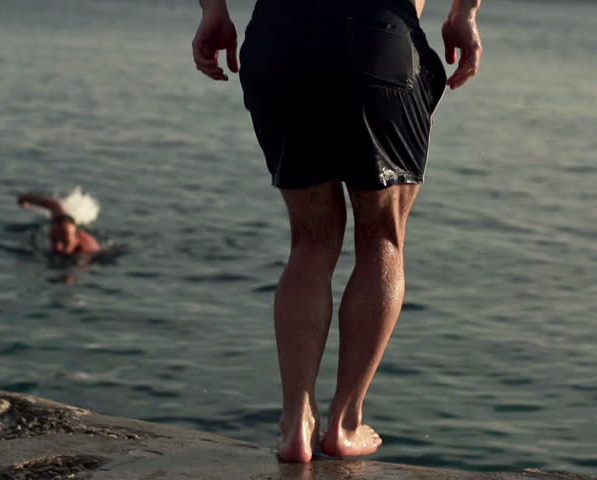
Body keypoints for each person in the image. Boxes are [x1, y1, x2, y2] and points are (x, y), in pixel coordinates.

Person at [192, 0, 483, 463]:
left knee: (310, 241)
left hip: (281, 40)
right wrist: (463, 14)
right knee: (382, 240)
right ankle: (345, 424)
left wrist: (213, 11)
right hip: (378, 36)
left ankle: (295, 424)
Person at [16, 193, 102, 256]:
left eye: (65, 242)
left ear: (77, 240)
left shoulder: (88, 249)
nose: (58, 247)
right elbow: (54, 205)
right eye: (54, 239)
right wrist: (25, 198)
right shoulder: (58, 222)